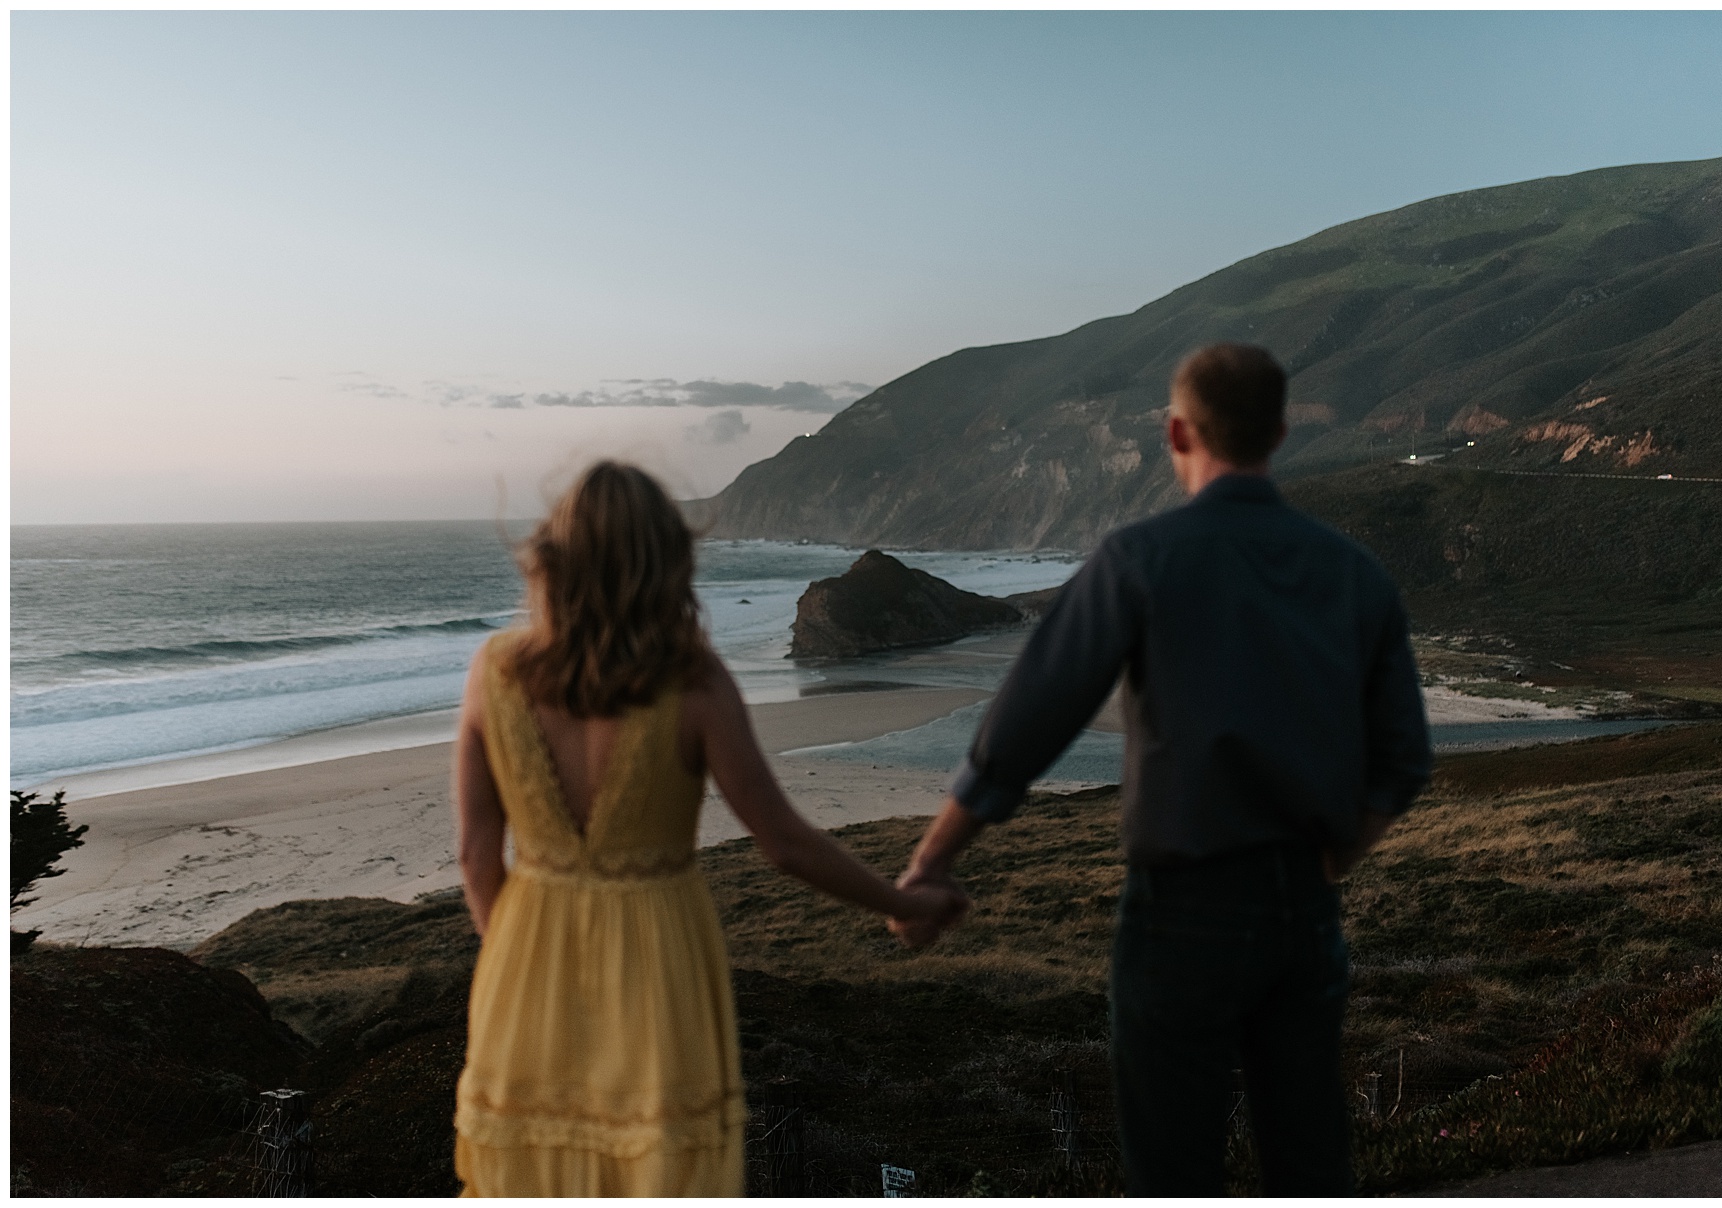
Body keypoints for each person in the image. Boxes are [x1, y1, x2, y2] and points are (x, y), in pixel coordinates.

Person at [891, 344, 1432, 1196]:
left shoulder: (1140, 558)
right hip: (1302, 909)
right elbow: (1403, 759)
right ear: (1281, 433)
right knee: (1309, 1162)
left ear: (1176, 431)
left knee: (1171, 1168)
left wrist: (933, 862)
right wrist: (1331, 862)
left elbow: (1025, 726)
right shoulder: (1352, 571)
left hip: (1182, 911)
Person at [452, 461, 966, 1197]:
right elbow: (784, 843)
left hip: (525, 956)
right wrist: (904, 903)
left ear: (556, 555)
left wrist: (514, 968)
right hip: (658, 958)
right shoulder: (692, 680)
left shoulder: (494, 671)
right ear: (665, 560)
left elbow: (475, 856)